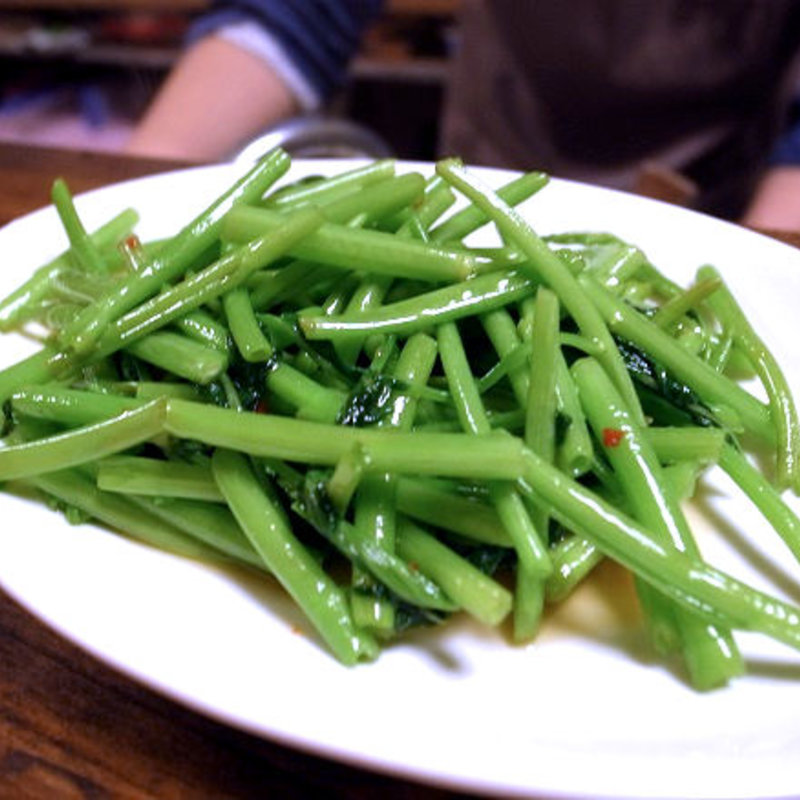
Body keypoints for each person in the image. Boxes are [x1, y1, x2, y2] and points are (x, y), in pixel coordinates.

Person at [126, 0, 800, 228]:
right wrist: (131, 198)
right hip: (479, 186)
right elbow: (302, 9)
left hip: (710, 207)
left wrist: (751, 271)